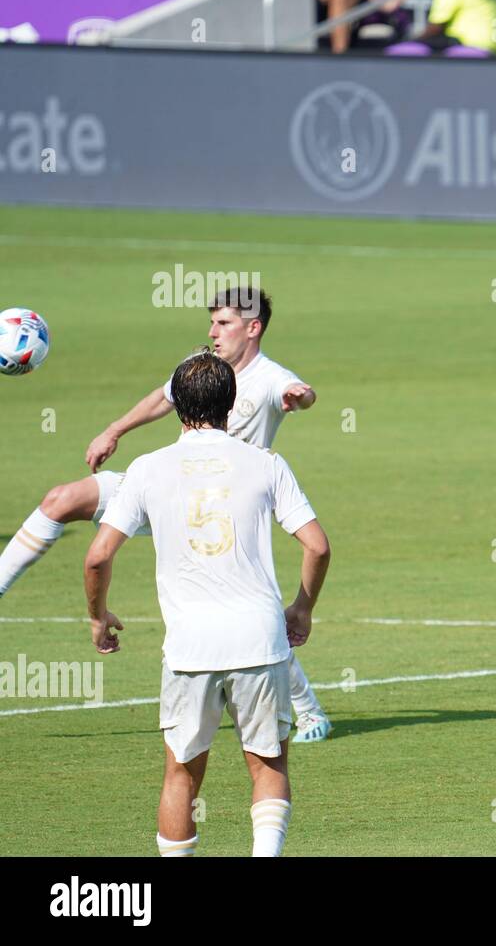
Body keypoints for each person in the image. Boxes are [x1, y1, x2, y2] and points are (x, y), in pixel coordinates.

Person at [0, 288, 334, 744]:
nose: (212, 332)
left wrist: (303, 395)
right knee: (60, 499)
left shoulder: (271, 377)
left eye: (224, 323)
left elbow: (298, 393)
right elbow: (164, 398)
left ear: (253, 328)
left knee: (240, 608)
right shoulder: (200, 371)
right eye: (212, 322)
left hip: (224, 508)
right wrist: (114, 430)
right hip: (170, 487)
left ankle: (309, 710)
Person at [84, 350, 331, 857]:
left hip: (191, 648)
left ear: (176, 406)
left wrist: (98, 617)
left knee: (180, 774)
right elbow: (318, 545)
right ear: (233, 401)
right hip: (260, 640)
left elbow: (97, 557)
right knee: (268, 765)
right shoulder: (266, 463)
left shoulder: (148, 469)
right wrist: (301, 608)